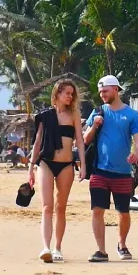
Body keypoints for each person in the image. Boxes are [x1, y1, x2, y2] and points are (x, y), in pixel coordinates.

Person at [83, 75, 138, 262]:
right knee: (97, 210)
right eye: (100, 92)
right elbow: (86, 139)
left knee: (123, 211)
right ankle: (101, 250)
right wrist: (94, 125)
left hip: (123, 172)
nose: (102, 95)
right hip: (100, 170)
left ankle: (122, 244)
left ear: (116, 90)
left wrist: (137, 152)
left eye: (105, 91)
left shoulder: (132, 115)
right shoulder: (98, 112)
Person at [28, 80, 86, 263]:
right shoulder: (46, 116)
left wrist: (83, 165)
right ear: (58, 94)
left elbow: (80, 141)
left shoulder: (74, 115)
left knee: (60, 207)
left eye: (72, 93)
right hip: (46, 162)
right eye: (67, 93)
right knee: (47, 206)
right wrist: (30, 167)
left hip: (66, 164)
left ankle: (57, 247)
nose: (70, 96)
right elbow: (37, 142)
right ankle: (45, 247)